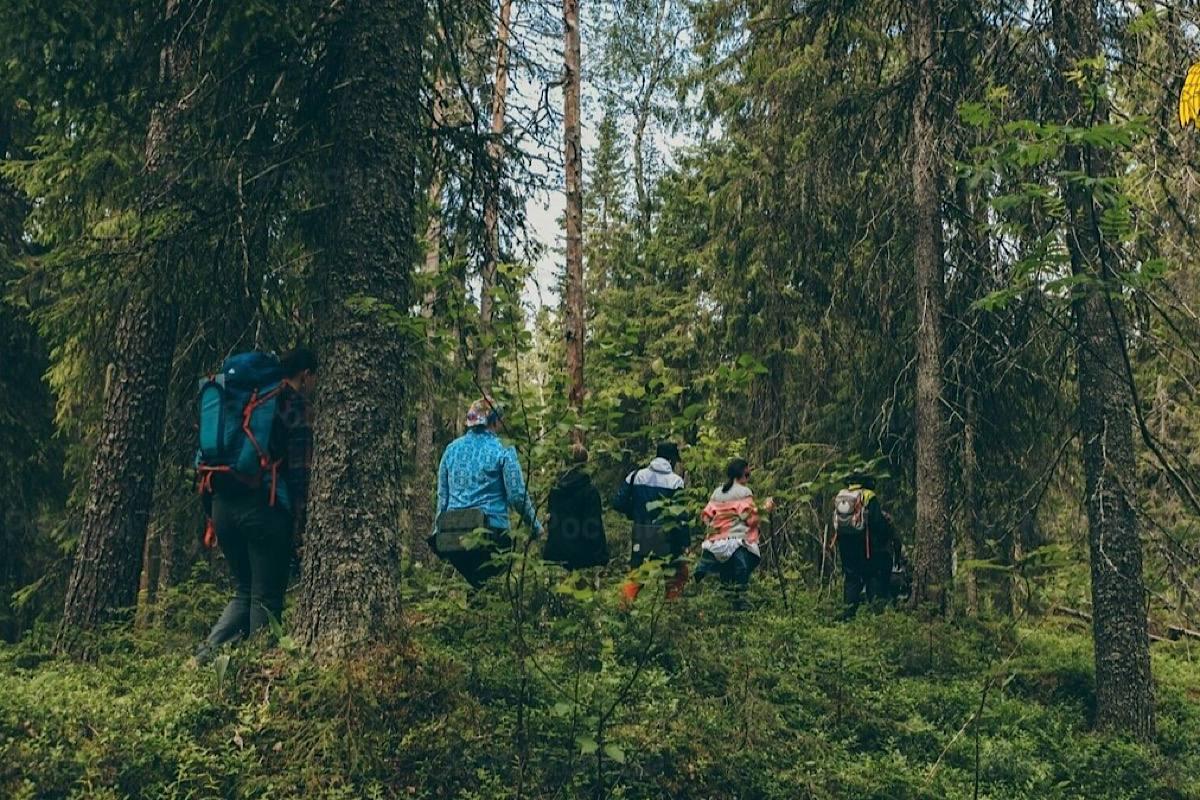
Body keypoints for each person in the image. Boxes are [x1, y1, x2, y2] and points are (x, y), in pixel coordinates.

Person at [196, 347, 316, 664]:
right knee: (265, 597)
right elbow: (300, 473)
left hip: (221, 505)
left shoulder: (243, 399)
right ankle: (258, 669)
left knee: (244, 590)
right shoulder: (293, 403)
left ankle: (204, 659)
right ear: (306, 375)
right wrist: (301, 526)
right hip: (263, 508)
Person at [431, 397, 542, 588]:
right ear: (495, 421)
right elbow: (516, 495)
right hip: (492, 534)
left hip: (454, 536)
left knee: (475, 587)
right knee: (489, 586)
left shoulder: (451, 450)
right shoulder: (503, 448)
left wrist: (437, 532)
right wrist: (535, 526)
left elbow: (443, 498)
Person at [615, 442, 689, 601]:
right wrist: (685, 542)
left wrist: (634, 513)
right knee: (675, 574)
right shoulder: (675, 482)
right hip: (667, 536)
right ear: (671, 460)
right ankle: (670, 608)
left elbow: (618, 503)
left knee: (637, 574)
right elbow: (680, 515)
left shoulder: (635, 476)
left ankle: (623, 605)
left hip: (640, 531)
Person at [695, 459, 771, 609]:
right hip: (738, 541)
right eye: (747, 474)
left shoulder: (717, 492)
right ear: (742, 474)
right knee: (740, 573)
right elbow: (750, 519)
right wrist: (764, 509)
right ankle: (739, 602)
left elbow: (706, 516)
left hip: (715, 542)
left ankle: (704, 577)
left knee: (725, 574)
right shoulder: (744, 492)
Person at [831, 471, 894, 618]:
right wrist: (885, 537)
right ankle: (876, 613)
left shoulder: (842, 495)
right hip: (866, 546)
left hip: (845, 545)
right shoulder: (868, 495)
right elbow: (878, 523)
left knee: (851, 578)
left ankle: (848, 613)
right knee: (873, 575)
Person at [543, 444, 609, 569]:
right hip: (584, 557)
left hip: (557, 555)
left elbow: (552, 523)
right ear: (586, 464)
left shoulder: (555, 490)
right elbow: (593, 526)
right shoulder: (590, 492)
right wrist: (601, 557)